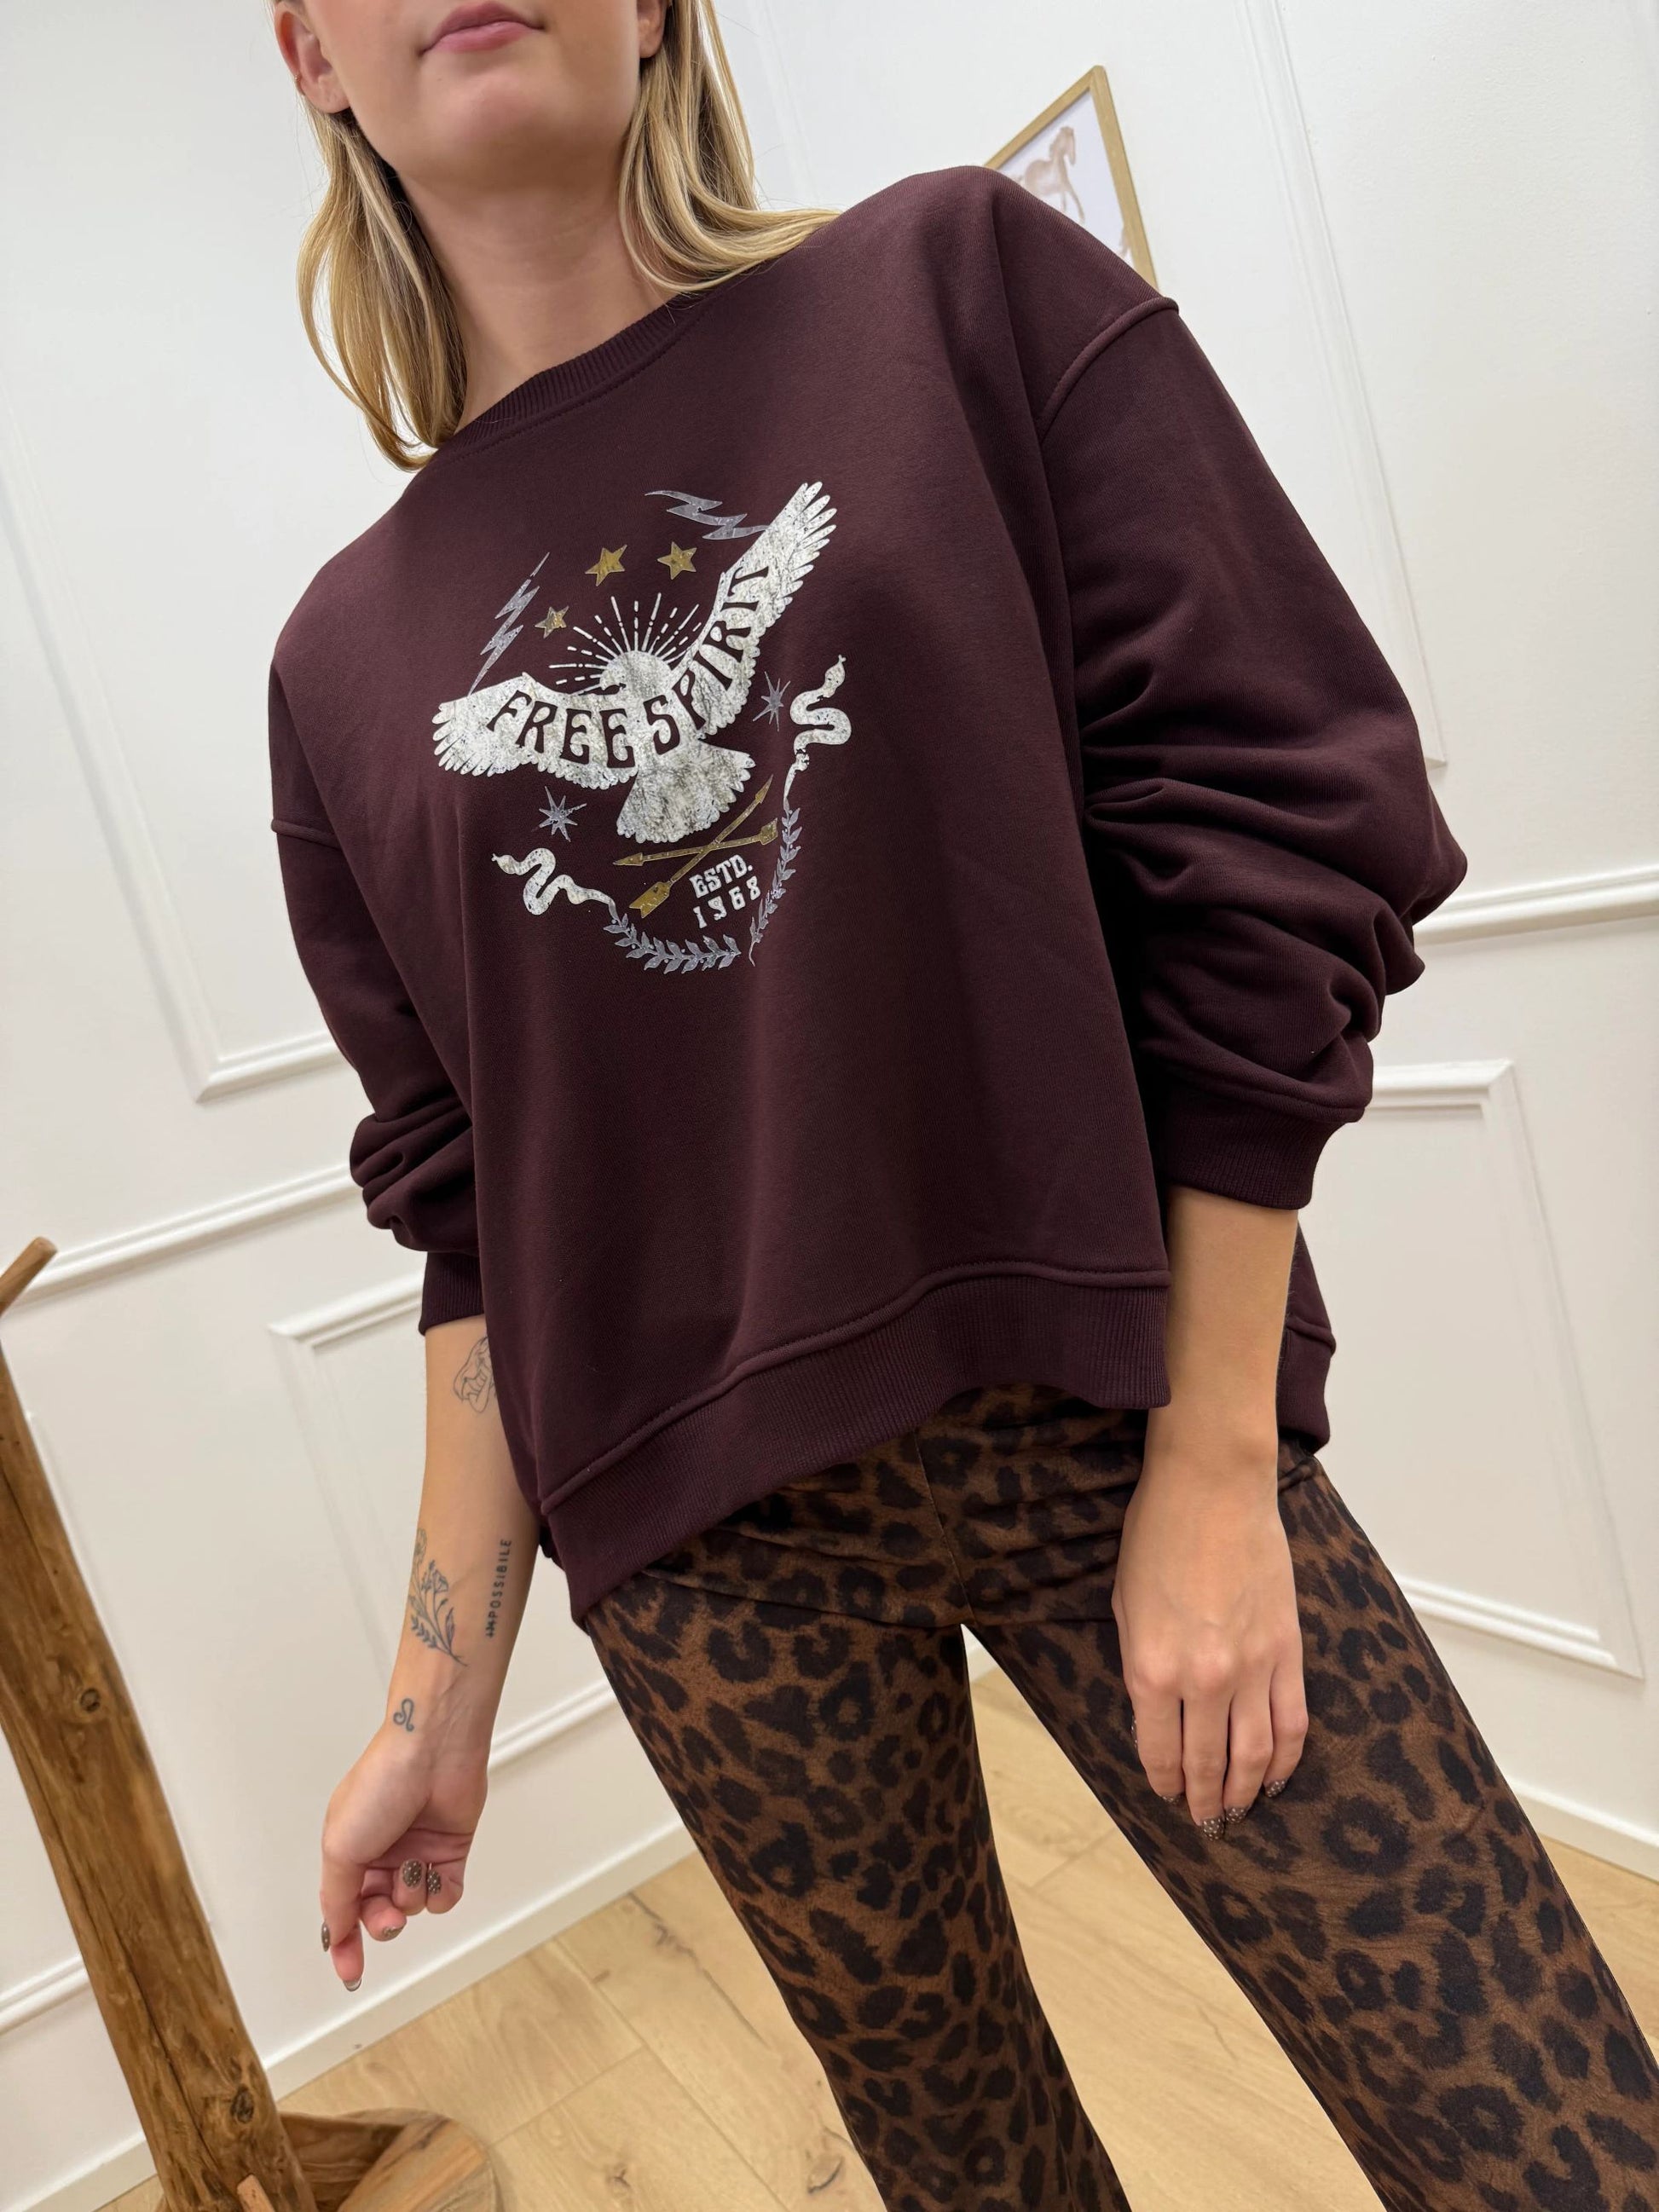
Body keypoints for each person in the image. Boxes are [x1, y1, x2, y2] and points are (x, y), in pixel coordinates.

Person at [267, 4, 1658, 2207]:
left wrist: (1217, 1452)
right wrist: (434, 1707)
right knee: (973, 2176)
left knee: (1552, 2147)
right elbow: (474, 1224)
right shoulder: (340, 659)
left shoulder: (952, 286)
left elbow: (1283, 812)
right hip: (708, 1575)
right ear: (308, 53)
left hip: (1107, 1414)